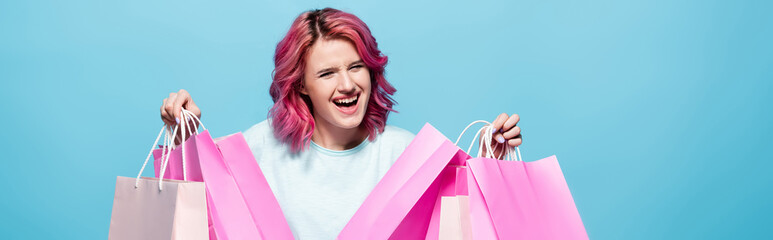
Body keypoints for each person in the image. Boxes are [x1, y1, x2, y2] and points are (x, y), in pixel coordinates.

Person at [158, 8, 522, 240]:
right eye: (328, 73)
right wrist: (184, 141)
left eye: (356, 67)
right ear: (301, 84)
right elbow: (200, 211)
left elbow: (455, 223)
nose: (347, 84)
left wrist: (493, 160)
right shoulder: (257, 150)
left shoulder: (406, 154)